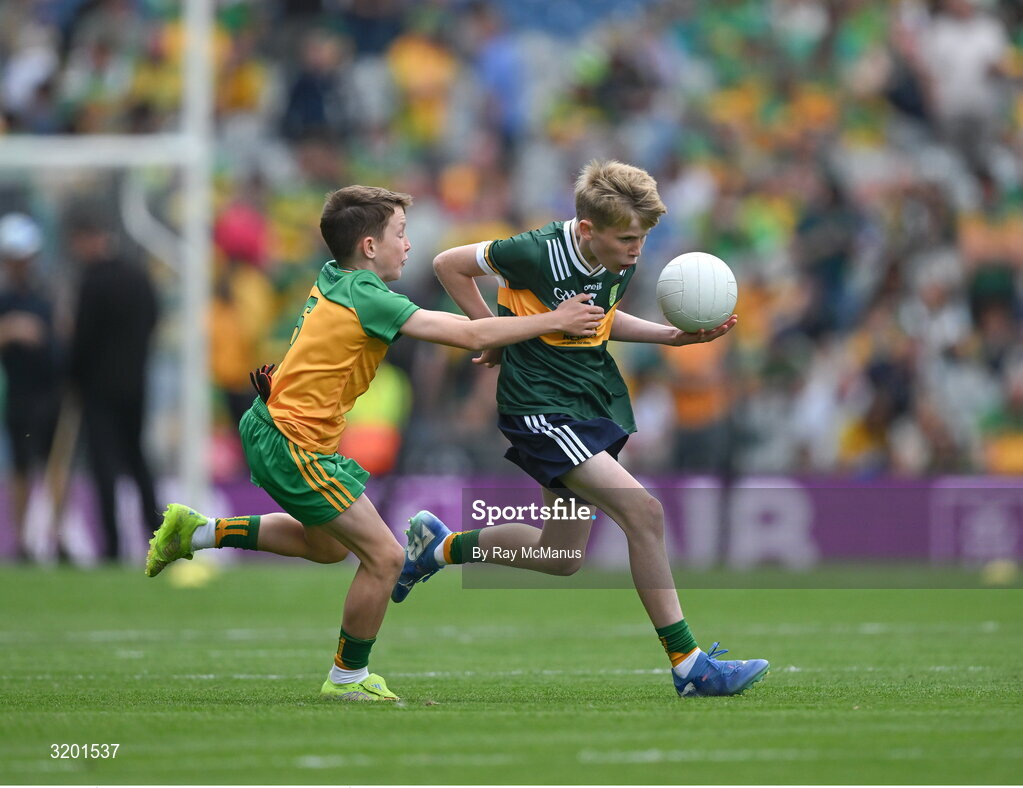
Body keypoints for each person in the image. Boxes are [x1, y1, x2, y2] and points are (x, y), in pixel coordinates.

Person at [145, 185, 603, 702]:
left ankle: (198, 532)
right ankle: (347, 678)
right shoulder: (367, 296)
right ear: (368, 246)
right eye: (400, 234)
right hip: (292, 442)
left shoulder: (336, 277)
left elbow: (462, 329)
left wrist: (501, 333)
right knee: (385, 557)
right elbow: (466, 336)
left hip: (277, 429)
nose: (408, 245)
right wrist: (555, 321)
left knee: (325, 547)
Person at [392, 160, 769, 698]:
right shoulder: (534, 251)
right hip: (540, 410)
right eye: (627, 239)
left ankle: (438, 547)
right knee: (644, 512)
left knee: (560, 555)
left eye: (642, 237)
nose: (636, 249)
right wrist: (490, 335)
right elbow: (448, 264)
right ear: (588, 230)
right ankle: (690, 665)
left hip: (585, 402)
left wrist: (670, 337)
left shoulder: (617, 252)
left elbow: (602, 317)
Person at [67, 205, 160, 561]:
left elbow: (82, 341)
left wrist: (72, 379)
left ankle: (113, 547)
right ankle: (157, 535)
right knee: (137, 459)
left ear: (89, 239)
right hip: (135, 385)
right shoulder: (137, 277)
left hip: (98, 389)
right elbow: (153, 319)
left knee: (105, 465)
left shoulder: (91, 282)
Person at [0, 213, 59, 561]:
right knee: (21, 467)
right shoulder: (6, 299)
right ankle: (22, 540)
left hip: (48, 391)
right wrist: (10, 329)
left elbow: (59, 339)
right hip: (18, 393)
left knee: (54, 464)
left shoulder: (47, 293)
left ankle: (58, 535)